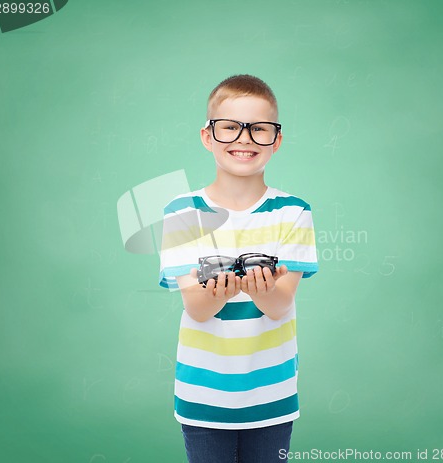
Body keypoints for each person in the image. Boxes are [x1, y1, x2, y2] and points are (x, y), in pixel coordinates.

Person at [158, 74, 319, 463]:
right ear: (207, 136)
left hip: (272, 393)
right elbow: (197, 309)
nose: (244, 139)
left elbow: (279, 306)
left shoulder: (294, 211)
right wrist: (228, 289)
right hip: (203, 394)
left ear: (276, 140)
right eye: (230, 127)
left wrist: (262, 290)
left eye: (258, 129)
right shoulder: (182, 212)